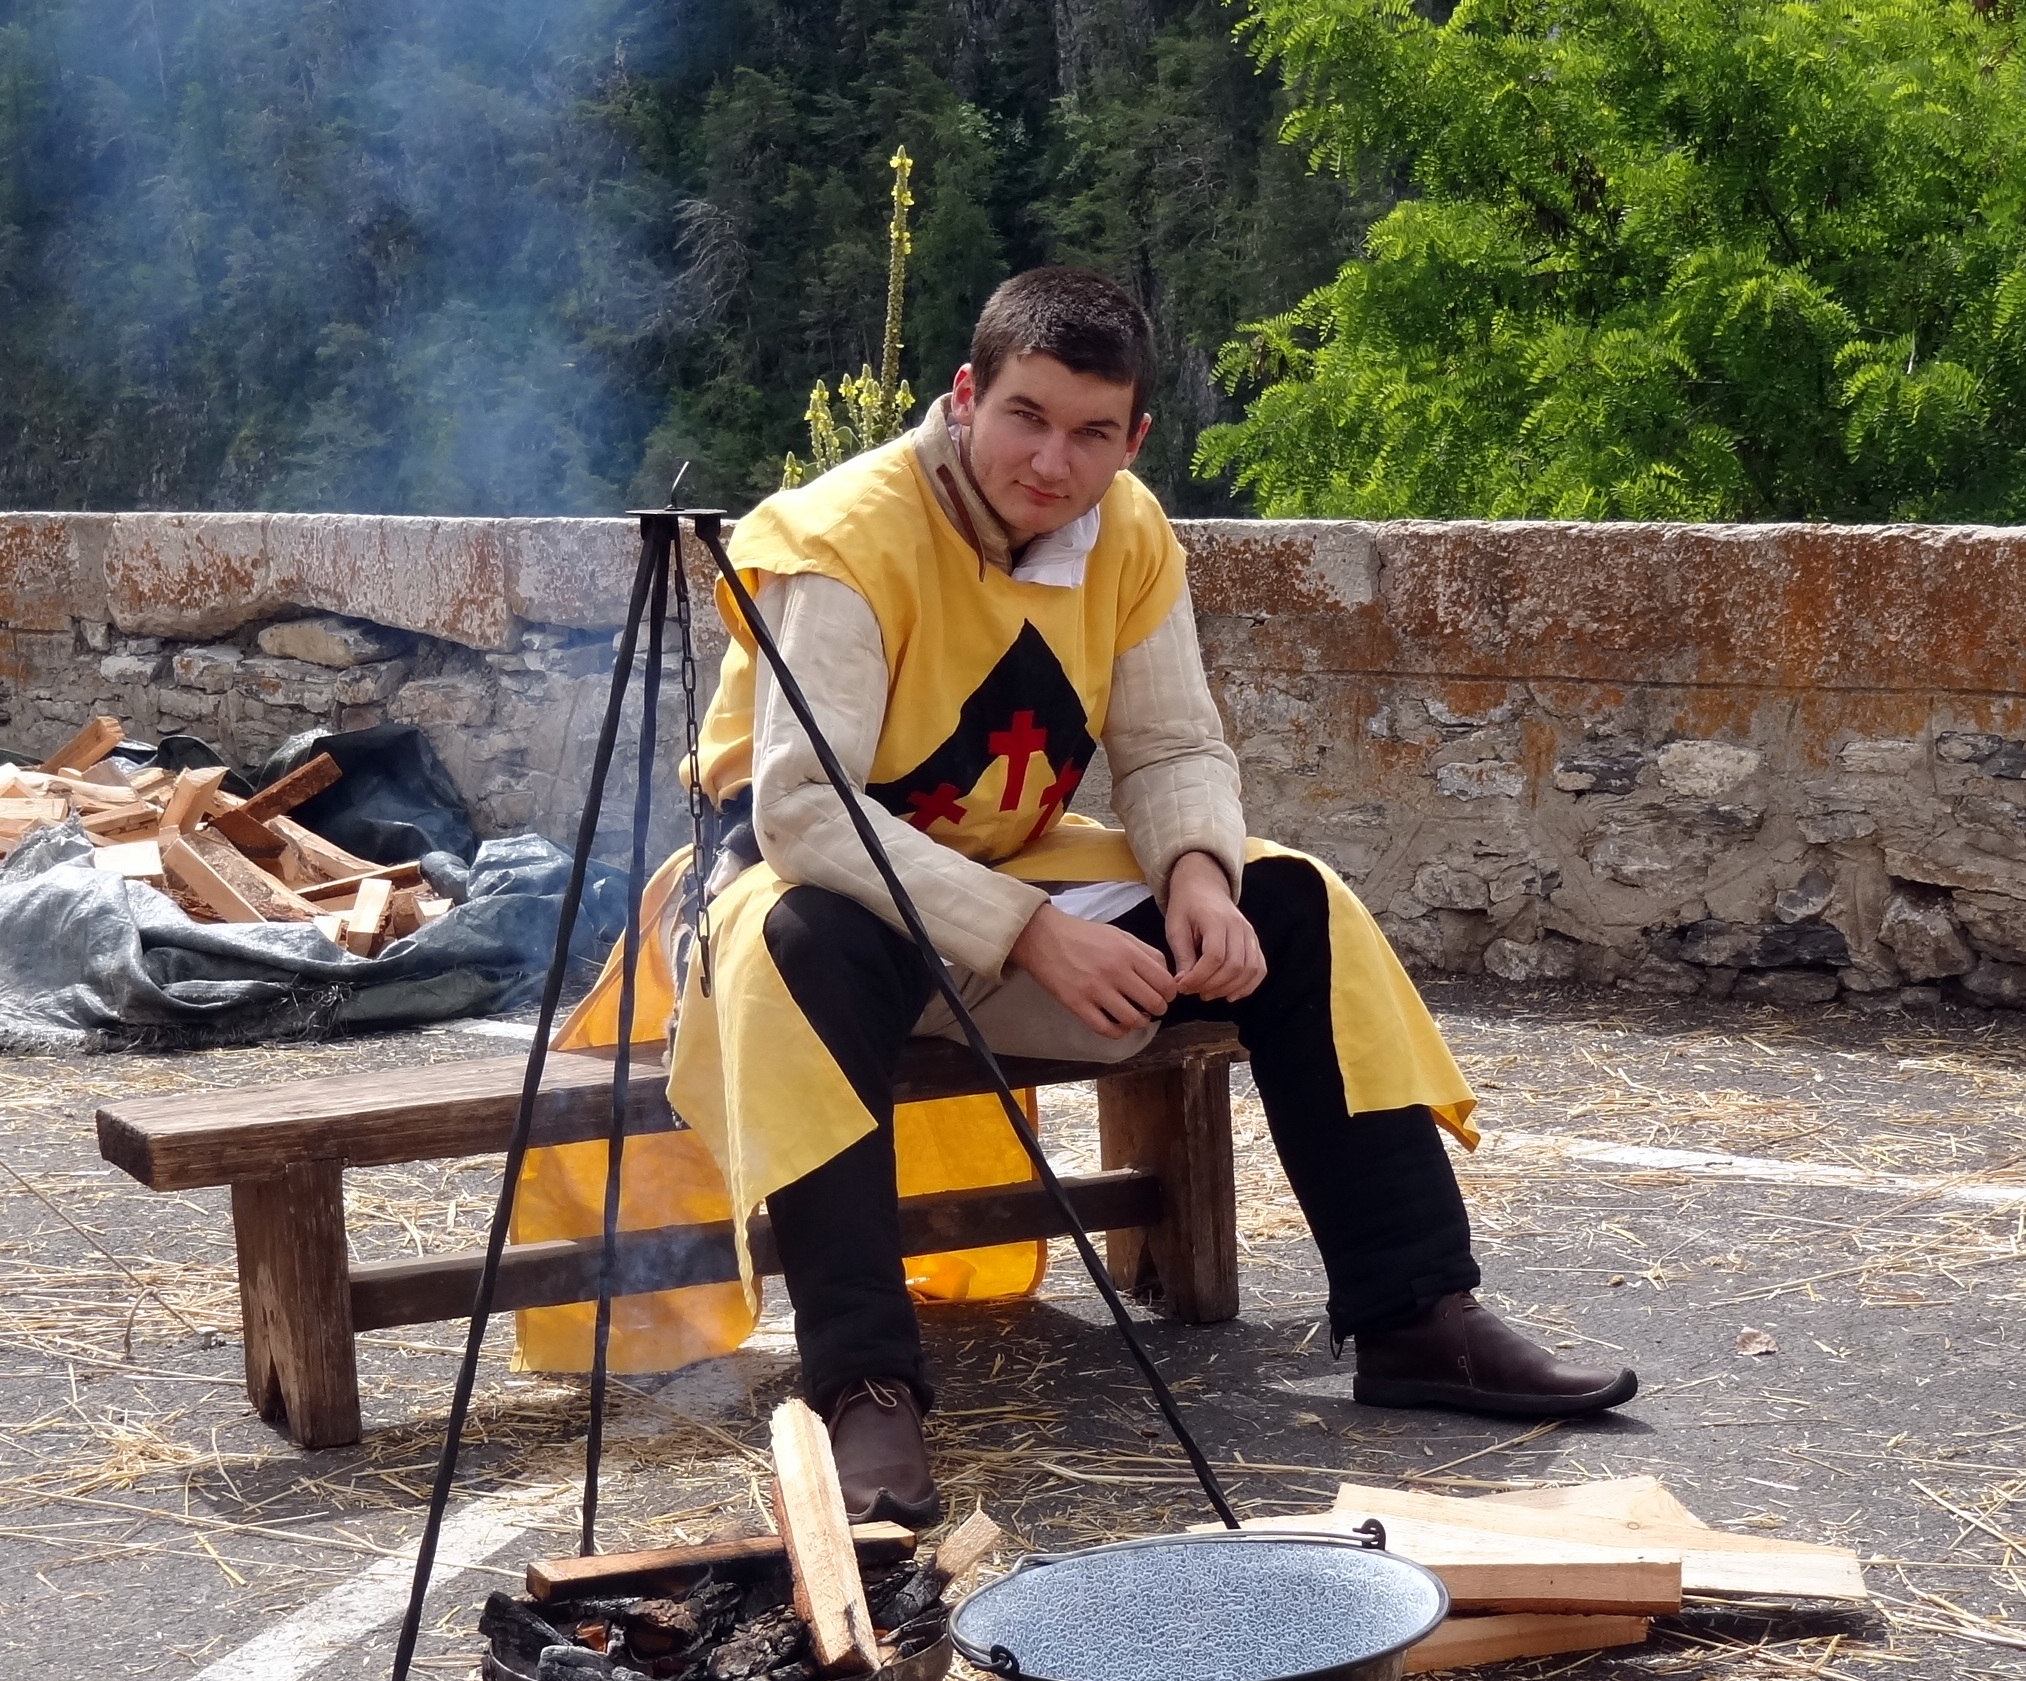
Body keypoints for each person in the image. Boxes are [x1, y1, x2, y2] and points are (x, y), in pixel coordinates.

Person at [670, 267, 1638, 1528]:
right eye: (1025, 416)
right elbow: (804, 812)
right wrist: (1029, 934)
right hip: (811, 891)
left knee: (1294, 903)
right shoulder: (845, 538)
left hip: (1015, 867)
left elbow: (1174, 746)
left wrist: (1196, 877)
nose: (1050, 462)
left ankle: (1415, 1314)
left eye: (1090, 433)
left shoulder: (1127, 534)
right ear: (965, 398)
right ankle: (863, 1387)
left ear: (1133, 439)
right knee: (808, 945)